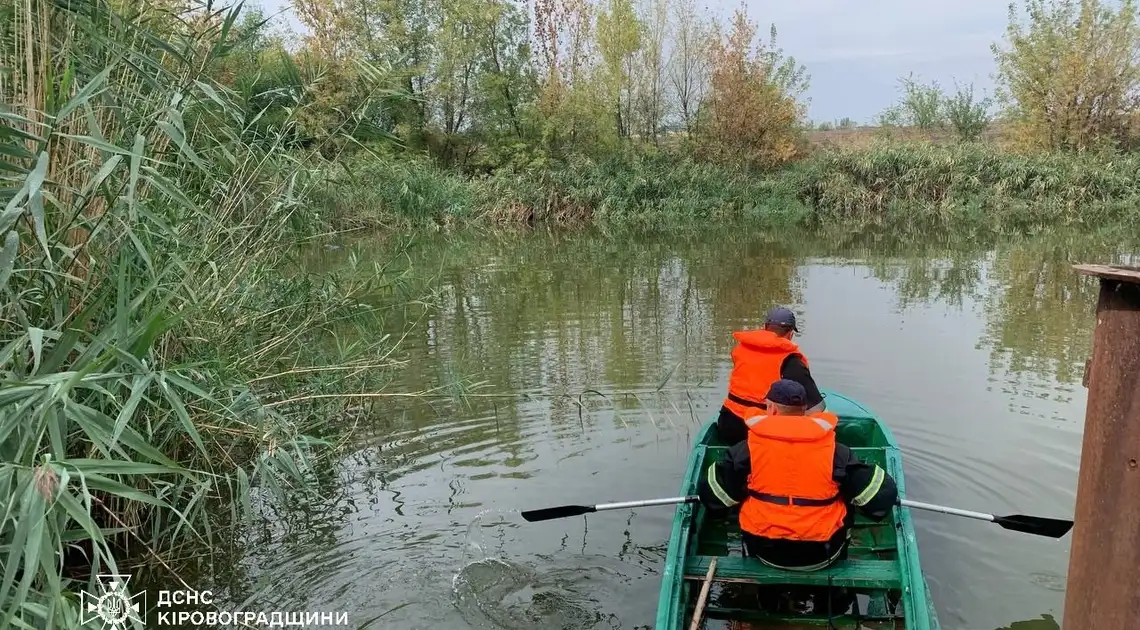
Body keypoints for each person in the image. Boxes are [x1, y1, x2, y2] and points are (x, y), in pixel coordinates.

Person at [699, 379, 898, 573]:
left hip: (764, 552)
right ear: (804, 412)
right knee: (846, 495)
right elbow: (881, 497)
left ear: (772, 409)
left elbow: (713, 495)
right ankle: (839, 596)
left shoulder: (746, 450)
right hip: (822, 553)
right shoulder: (837, 452)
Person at [718, 307, 823, 445]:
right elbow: (817, 408)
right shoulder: (791, 361)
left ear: (765, 328)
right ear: (791, 334)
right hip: (762, 430)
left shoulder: (742, 349)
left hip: (729, 423)